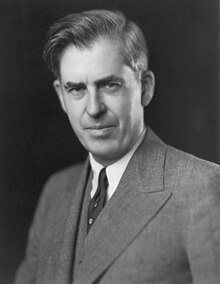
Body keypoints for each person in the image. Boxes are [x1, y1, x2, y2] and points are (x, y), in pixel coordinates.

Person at [15, 9, 220, 284]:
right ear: (61, 97)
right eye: (76, 89)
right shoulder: (55, 191)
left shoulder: (203, 188)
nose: (93, 109)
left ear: (145, 88)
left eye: (109, 85)